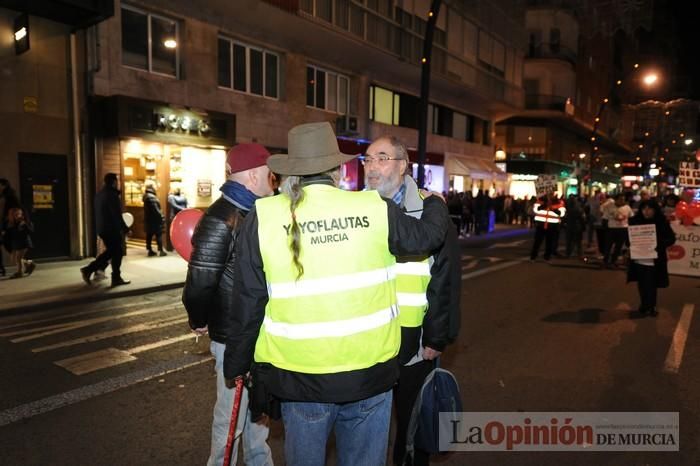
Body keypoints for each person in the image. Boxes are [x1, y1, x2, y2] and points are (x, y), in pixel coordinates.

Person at [223, 122, 449, 466]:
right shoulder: (374, 207)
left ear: (291, 173)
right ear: (337, 169)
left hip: (300, 379)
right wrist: (435, 204)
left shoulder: (264, 217)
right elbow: (425, 239)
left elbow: (248, 301)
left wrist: (238, 365)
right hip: (370, 376)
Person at [364, 135, 461, 466]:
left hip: (413, 339)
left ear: (403, 165)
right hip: (367, 338)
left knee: (410, 427)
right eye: (367, 159)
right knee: (366, 427)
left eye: (382, 157)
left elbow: (444, 278)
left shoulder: (430, 209)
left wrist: (435, 337)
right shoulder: (354, 209)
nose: (372, 166)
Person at [183, 143, 274, 466]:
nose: (272, 180)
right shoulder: (220, 218)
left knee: (255, 419)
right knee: (229, 420)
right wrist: (199, 319)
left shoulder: (256, 213)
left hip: (254, 332)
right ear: (252, 176)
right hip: (232, 336)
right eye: (268, 173)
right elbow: (200, 282)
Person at [627, 200, 676, 316]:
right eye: (644, 209)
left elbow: (671, 239)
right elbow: (628, 239)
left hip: (654, 259)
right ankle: (644, 305)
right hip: (639, 259)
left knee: (651, 284)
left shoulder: (661, 222)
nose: (646, 211)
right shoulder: (635, 221)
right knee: (642, 283)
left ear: (655, 210)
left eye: (649, 209)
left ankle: (651, 306)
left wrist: (658, 244)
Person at [81, 173, 130, 287]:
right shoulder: (112, 195)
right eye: (117, 181)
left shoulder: (100, 195)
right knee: (117, 252)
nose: (118, 183)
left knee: (112, 252)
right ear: (114, 182)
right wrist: (125, 229)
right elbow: (116, 215)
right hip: (111, 229)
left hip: (102, 228)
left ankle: (96, 270)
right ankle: (92, 270)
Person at [529, 192, 566, 262]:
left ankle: (547, 257)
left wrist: (552, 208)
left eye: (551, 193)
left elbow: (562, 214)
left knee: (549, 243)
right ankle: (533, 257)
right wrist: (545, 205)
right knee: (537, 242)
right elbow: (535, 210)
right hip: (541, 225)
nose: (550, 195)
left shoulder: (559, 202)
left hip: (552, 226)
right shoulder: (540, 201)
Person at [5, 207, 35, 278]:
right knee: (14, 259)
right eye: (15, 215)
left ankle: (19, 272)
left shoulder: (24, 223)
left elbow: (30, 231)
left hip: (24, 243)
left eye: (19, 214)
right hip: (16, 243)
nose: (17, 216)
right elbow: (11, 233)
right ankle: (29, 264)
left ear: (22, 214)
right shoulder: (12, 223)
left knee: (18, 258)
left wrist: (24, 225)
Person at [603, 194, 632, 268]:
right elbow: (605, 218)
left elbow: (631, 217)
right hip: (612, 229)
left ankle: (613, 261)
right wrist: (605, 229)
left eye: (623, 199)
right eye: (620, 199)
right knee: (608, 246)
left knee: (618, 247)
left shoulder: (627, 208)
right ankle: (605, 261)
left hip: (623, 229)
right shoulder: (609, 207)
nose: (622, 201)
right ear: (616, 200)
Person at [0, 179, 22, 277]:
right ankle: (25, 264)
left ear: (4, 185)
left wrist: (9, 222)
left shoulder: (10, 196)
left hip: (8, 224)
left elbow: (17, 208)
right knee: (7, 245)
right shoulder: (3, 195)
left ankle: (24, 265)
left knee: (9, 245)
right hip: (3, 223)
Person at [143, 182, 166, 257]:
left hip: (149, 220)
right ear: (152, 188)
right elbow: (156, 210)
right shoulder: (152, 197)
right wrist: (162, 217)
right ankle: (160, 250)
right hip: (155, 220)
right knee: (158, 234)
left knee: (149, 235)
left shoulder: (147, 196)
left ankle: (149, 250)